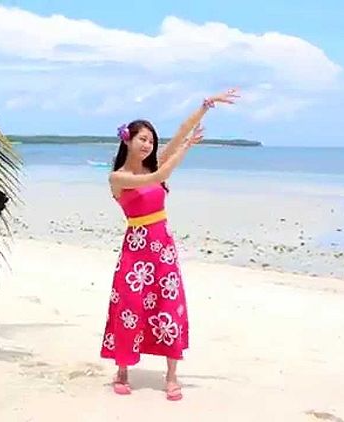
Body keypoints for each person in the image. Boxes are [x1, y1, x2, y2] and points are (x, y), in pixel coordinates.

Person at [100, 88, 240, 401]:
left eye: (151, 141)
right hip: (136, 249)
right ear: (128, 141)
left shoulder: (154, 165)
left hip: (162, 247)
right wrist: (187, 148)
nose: (147, 145)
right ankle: (122, 369)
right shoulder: (117, 177)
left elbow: (179, 133)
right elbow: (160, 175)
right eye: (142, 139)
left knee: (169, 305)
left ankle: (172, 376)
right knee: (129, 306)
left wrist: (205, 106)